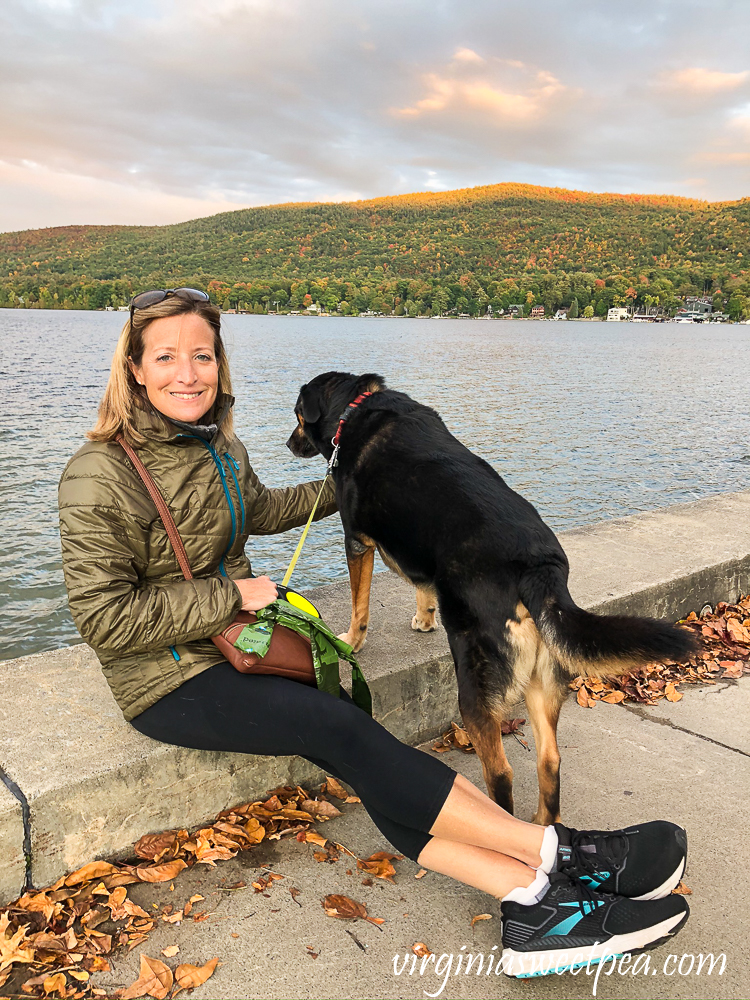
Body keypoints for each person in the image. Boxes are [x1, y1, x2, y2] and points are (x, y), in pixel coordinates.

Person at [58, 288, 689, 978]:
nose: (188, 373)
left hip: (239, 648)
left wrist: (382, 469)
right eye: (168, 357)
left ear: (219, 364)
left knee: (366, 754)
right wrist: (228, 596)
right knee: (344, 731)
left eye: (202, 355)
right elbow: (104, 619)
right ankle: (561, 856)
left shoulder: (218, 451)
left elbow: (266, 509)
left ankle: (532, 904)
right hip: (167, 677)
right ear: (135, 368)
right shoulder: (100, 473)